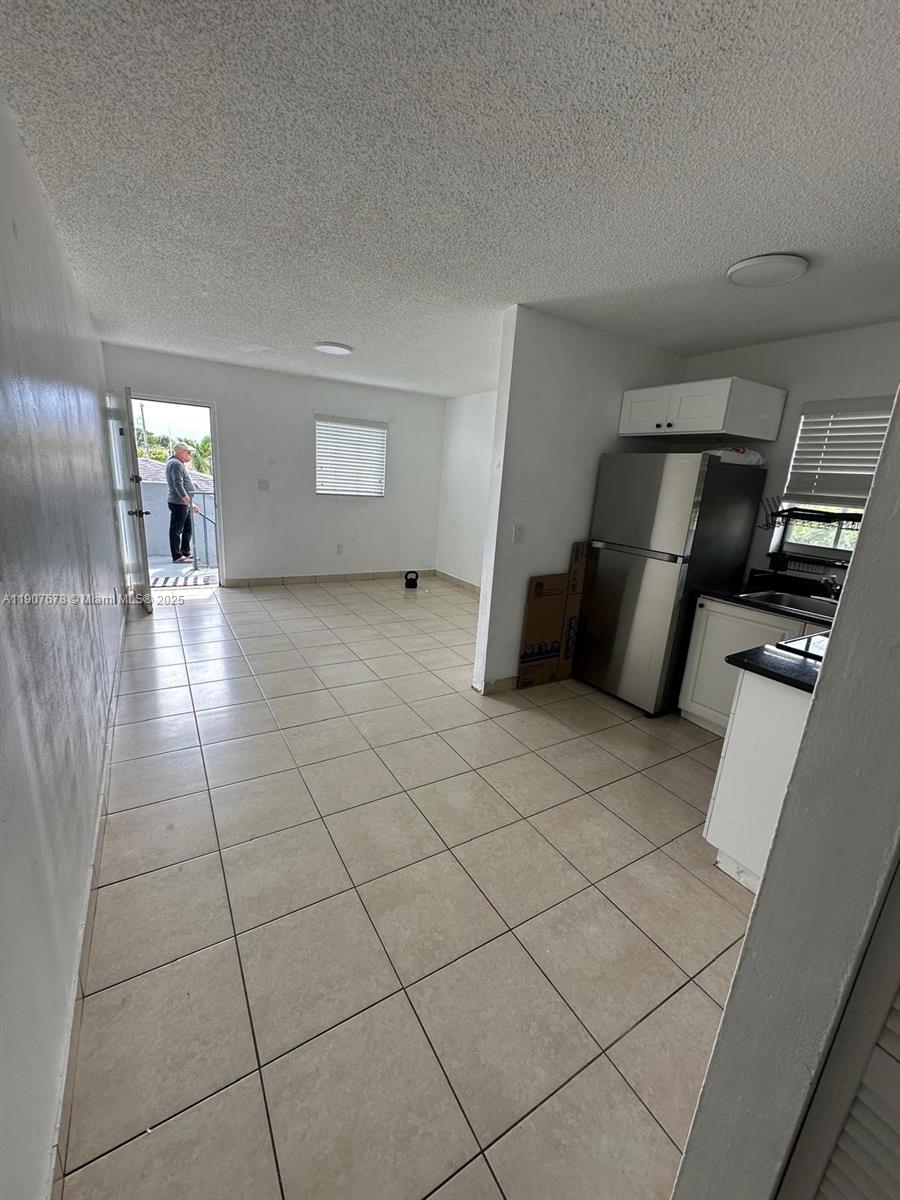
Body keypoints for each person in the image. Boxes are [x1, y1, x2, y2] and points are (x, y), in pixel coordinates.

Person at [165, 442, 200, 563]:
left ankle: (185, 552)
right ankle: (177, 556)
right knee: (176, 529)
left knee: (188, 527)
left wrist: (191, 483)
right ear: (180, 452)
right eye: (188, 452)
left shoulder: (176, 462)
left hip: (182, 503)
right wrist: (191, 503)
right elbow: (177, 486)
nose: (190, 455)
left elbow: (181, 481)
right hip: (179, 503)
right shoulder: (175, 464)